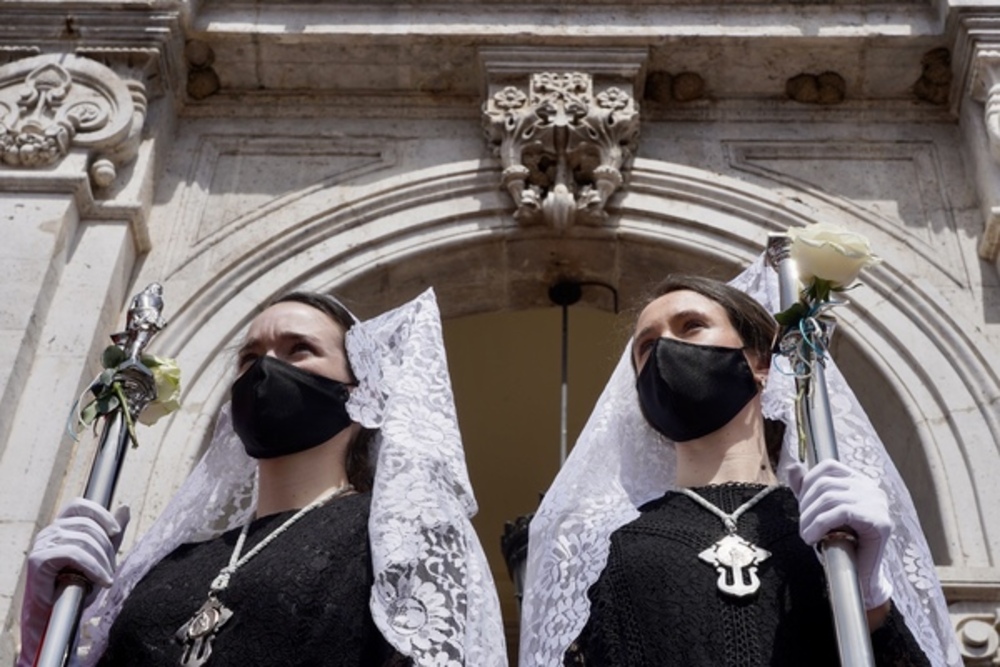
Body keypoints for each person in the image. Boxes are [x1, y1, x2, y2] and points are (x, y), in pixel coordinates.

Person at [18, 289, 507, 667]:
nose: (267, 368)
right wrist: (46, 624)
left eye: (299, 350)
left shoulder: (399, 539)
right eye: (251, 357)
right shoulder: (173, 563)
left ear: (363, 393)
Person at [519, 255, 961, 666]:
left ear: (760, 362)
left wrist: (869, 600)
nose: (666, 349)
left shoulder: (827, 527)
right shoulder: (621, 549)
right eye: (646, 345)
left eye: (691, 326)